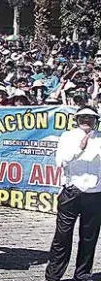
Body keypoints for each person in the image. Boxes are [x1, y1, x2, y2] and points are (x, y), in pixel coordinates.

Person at [45, 106, 101, 281]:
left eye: (90, 118)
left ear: (96, 121)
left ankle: (82, 274)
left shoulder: (100, 138)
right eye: (83, 117)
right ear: (76, 119)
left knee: (89, 236)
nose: (86, 120)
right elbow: (60, 161)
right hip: (72, 191)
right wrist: (80, 148)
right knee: (62, 236)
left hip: (95, 193)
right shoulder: (67, 136)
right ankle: (53, 276)